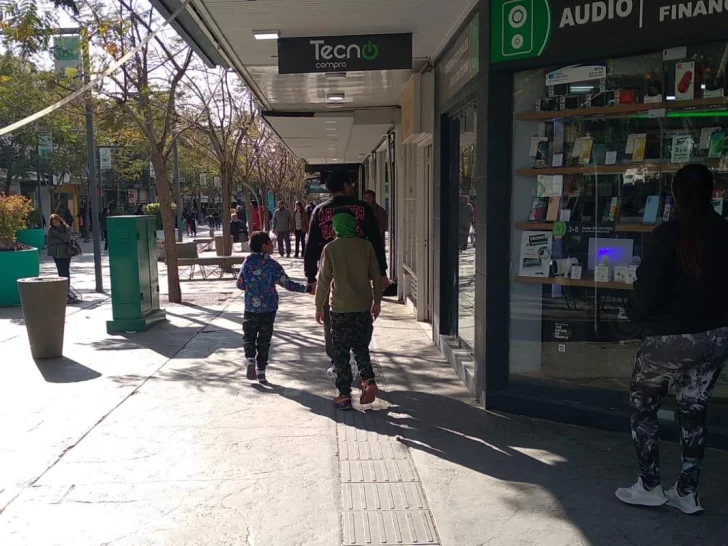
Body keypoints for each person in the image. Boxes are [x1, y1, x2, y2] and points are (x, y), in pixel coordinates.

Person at [615, 164, 728, 515]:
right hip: (716, 337)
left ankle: (650, 486)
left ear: (675, 196)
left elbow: (647, 289)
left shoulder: (668, 234)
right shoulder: (724, 231)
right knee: (694, 409)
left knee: (643, 406)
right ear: (712, 193)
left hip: (671, 339)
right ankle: (687, 492)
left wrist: (630, 316)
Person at [305, 172, 389, 377]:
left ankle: (337, 363)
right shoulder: (363, 208)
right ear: (345, 185)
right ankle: (361, 363)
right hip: (361, 271)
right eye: (350, 184)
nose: (352, 187)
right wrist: (381, 272)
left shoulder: (319, 210)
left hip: (332, 274)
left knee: (330, 320)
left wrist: (311, 277)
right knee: (362, 318)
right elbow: (376, 240)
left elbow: (311, 244)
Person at [315, 209, 382, 410]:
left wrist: (319, 306)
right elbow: (376, 276)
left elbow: (323, 281)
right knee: (361, 347)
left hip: (340, 308)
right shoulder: (366, 246)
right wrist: (377, 302)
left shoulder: (330, 248)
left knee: (341, 352)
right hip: (363, 306)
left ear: (336, 227)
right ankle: (368, 380)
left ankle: (344, 395)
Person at [236, 231, 309, 383]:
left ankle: (250, 359)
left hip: (250, 308)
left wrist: (252, 287)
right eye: (270, 242)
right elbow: (287, 283)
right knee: (264, 340)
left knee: (249, 336)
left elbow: (240, 284)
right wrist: (306, 289)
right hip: (268, 309)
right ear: (264, 246)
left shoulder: (247, 263)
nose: (273, 245)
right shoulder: (272, 265)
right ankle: (261, 372)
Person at [47, 214, 78, 304]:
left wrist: (57, 236)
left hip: (65, 252)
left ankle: (67, 289)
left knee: (66, 271)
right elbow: (49, 241)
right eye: (53, 222)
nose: (55, 223)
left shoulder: (66, 228)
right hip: (56, 254)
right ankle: (63, 289)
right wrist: (60, 240)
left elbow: (67, 238)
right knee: (60, 271)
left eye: (56, 221)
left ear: (59, 220)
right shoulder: (51, 230)